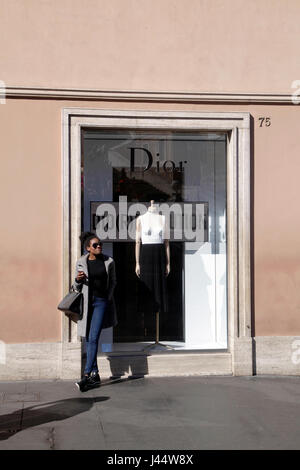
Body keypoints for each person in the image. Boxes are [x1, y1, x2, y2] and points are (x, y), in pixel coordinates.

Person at [73, 231, 117, 392]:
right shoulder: (81, 262)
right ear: (88, 248)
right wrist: (78, 281)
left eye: (100, 245)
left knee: (93, 338)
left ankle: (86, 376)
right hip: (86, 304)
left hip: (100, 303)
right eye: (95, 245)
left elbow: (113, 282)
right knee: (89, 338)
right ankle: (95, 373)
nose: (99, 247)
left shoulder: (109, 261)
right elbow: (75, 287)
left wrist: (108, 296)